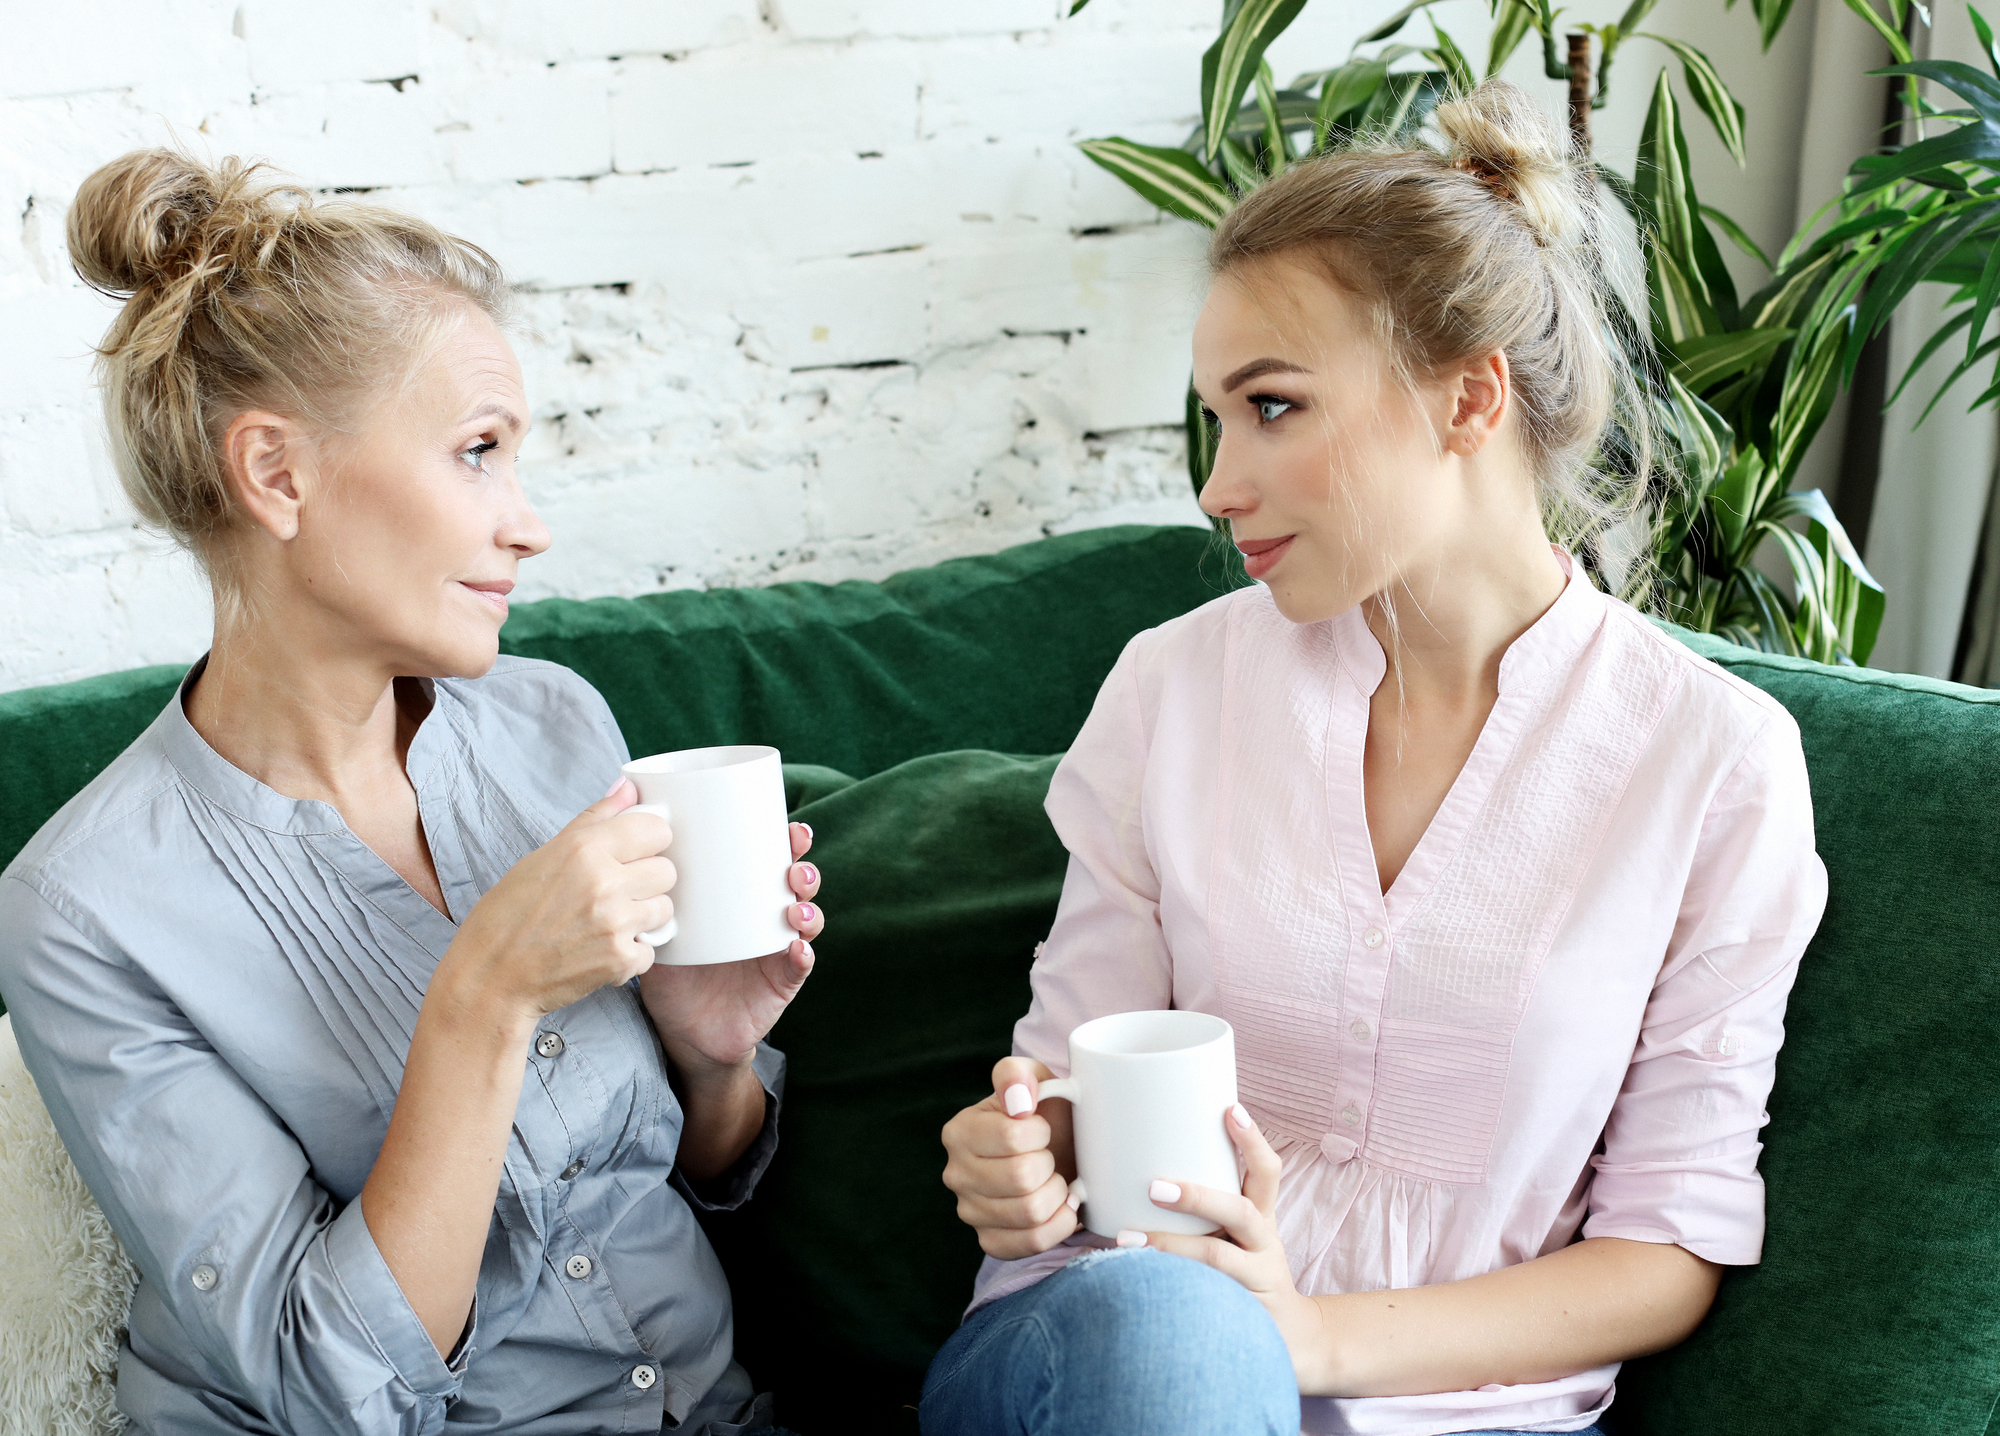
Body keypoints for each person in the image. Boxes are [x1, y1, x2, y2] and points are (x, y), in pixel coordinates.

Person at [930, 80, 1826, 1436]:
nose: (1220, 484)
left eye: (1273, 407)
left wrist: (1309, 1341)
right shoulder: (1172, 689)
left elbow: (1665, 1253)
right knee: (1173, 1339)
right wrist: (1027, 1159)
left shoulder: (1715, 763)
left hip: (1466, 1415)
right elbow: (1071, 1081)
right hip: (1111, 1357)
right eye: (1218, 419)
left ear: (1470, 399)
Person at [0, 150, 824, 1434]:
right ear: (276, 473)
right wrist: (484, 996)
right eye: (478, 451)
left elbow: (682, 1183)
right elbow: (329, 1387)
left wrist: (711, 1056)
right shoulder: (83, 909)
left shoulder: (553, 725)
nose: (527, 521)